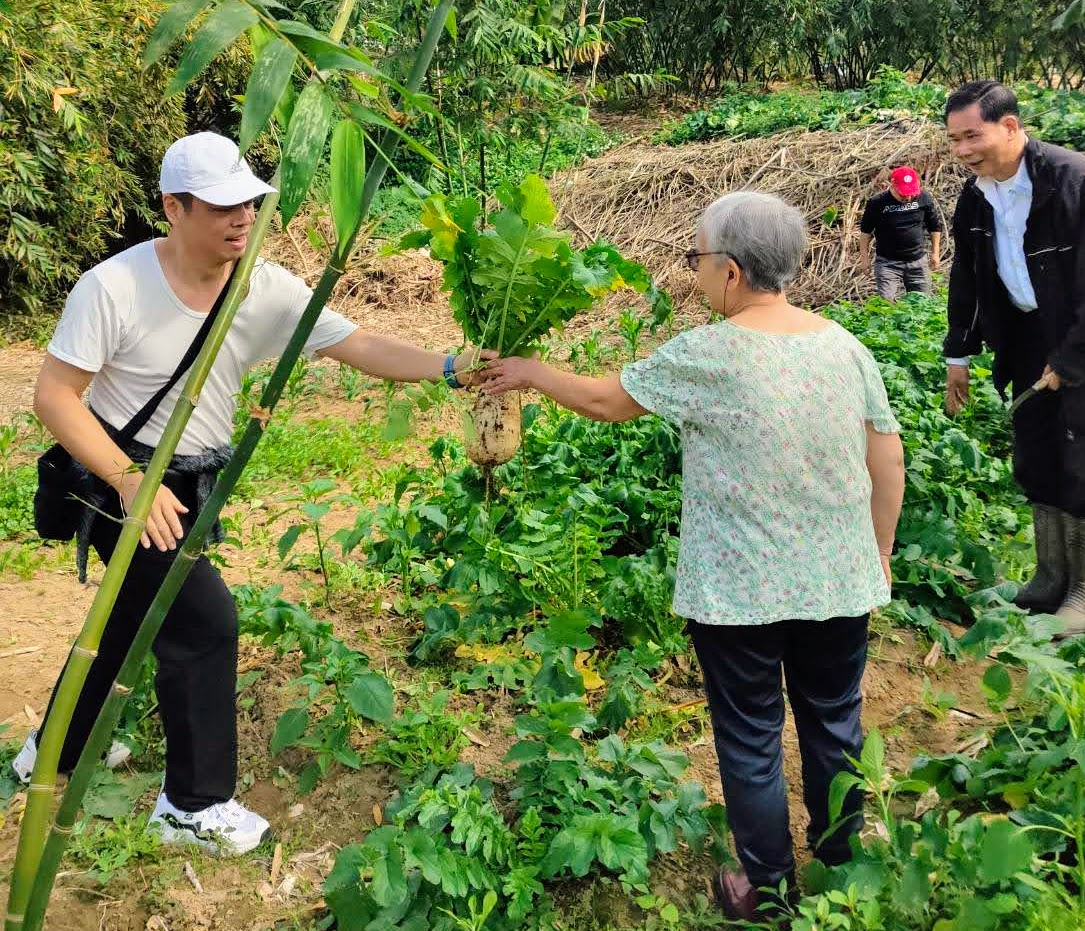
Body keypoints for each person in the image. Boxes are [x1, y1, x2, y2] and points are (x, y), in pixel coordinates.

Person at [12, 132, 488, 855]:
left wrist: (451, 366)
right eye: (223, 206)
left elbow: (356, 345)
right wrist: (128, 482)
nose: (243, 218)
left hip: (191, 482)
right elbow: (55, 396)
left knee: (126, 623)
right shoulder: (113, 287)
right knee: (204, 623)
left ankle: (52, 751)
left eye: (251, 202)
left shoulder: (261, 287)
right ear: (173, 207)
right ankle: (191, 805)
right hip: (118, 483)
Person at [480, 192, 905, 921]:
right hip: (839, 580)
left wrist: (529, 371)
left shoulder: (709, 350)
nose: (695, 274)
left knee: (750, 734)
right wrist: (879, 555)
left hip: (739, 590)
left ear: (732, 271)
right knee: (835, 723)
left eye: (697, 260)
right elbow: (886, 453)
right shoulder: (844, 344)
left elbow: (609, 401)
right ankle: (843, 865)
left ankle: (766, 886)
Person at [942, 81, 1085, 637]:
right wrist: (958, 354)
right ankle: (1047, 579)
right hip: (1026, 338)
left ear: (1010, 127)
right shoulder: (976, 196)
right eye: (954, 139)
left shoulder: (1077, 183)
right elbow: (966, 279)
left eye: (973, 136)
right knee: (1036, 455)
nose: (963, 150)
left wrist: (1072, 360)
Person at [858, 165, 942, 299]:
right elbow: (865, 232)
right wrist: (864, 259)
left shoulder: (923, 198)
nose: (908, 198)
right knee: (886, 304)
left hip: (917, 261)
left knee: (923, 302)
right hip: (888, 263)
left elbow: (935, 227)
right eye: (903, 194)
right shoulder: (877, 203)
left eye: (911, 193)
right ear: (892, 185)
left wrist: (935, 253)